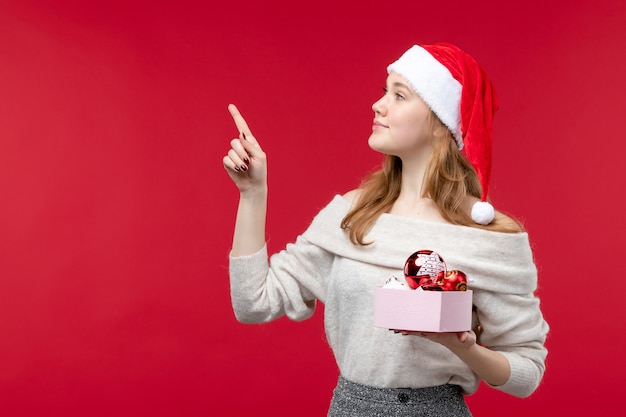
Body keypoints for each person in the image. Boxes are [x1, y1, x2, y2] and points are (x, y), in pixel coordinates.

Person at [222, 43, 549, 417]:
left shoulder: (484, 239)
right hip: (350, 407)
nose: (378, 106)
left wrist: (462, 347)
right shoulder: (352, 215)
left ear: (443, 126)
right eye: (384, 91)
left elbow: (527, 373)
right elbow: (252, 303)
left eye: (400, 95)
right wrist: (253, 194)